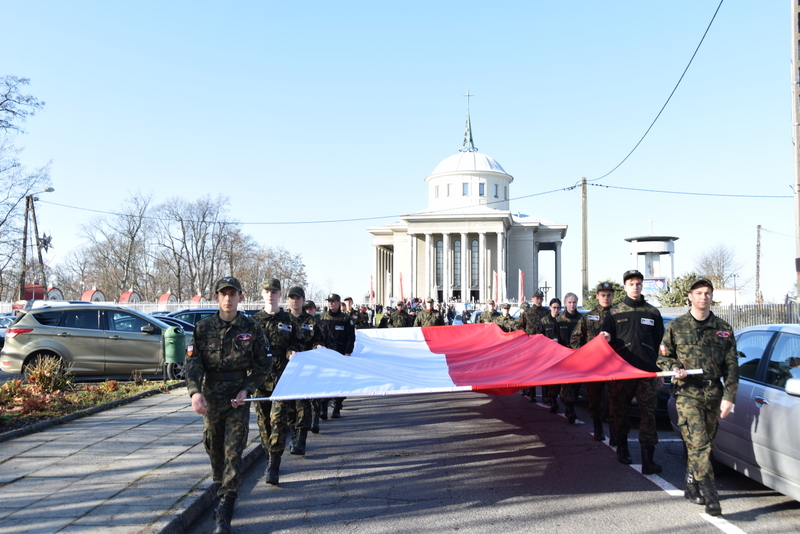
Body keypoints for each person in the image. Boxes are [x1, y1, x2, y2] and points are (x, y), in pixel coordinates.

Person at [186, 277, 272, 534]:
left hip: (238, 397)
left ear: (240, 297)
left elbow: (264, 363)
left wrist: (247, 388)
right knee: (214, 445)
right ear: (216, 297)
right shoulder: (202, 328)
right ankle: (219, 484)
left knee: (233, 449)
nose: (228, 298)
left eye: (232, 294)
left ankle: (226, 505)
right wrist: (195, 393)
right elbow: (193, 364)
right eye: (223, 294)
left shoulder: (251, 327)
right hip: (211, 395)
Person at [657, 277, 739, 516]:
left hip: (713, 392)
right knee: (699, 442)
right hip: (687, 393)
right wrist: (675, 367)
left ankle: (691, 484)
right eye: (699, 292)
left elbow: (732, 367)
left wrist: (729, 396)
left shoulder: (723, 329)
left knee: (704, 443)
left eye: (707, 293)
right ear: (690, 297)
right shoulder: (676, 326)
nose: (703, 296)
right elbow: (663, 358)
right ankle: (711, 495)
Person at [601, 269, 665, 474]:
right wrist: (606, 338)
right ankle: (623, 448)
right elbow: (604, 342)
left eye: (638, 283)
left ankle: (648, 459)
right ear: (625, 286)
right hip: (622, 373)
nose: (635, 287)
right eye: (631, 283)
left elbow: (661, 345)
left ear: (641, 285)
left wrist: (660, 372)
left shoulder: (653, 312)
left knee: (649, 414)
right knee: (620, 411)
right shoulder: (615, 312)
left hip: (646, 372)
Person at [252, 278, 302, 486]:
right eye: (267, 291)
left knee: (277, 420)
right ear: (262, 294)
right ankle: (268, 453)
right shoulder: (253, 321)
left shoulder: (289, 320)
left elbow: (297, 343)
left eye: (274, 291)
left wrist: (293, 352)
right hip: (260, 379)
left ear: (279, 294)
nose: (270, 295)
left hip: (282, 379)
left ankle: (274, 463)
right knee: (263, 422)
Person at [570, 282, 615, 440]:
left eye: (609, 295)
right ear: (597, 296)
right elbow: (575, 339)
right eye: (603, 295)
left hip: (614, 365)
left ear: (613, 296)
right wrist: (584, 356)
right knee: (594, 397)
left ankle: (614, 433)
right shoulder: (588, 317)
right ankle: (597, 429)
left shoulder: (619, 315)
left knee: (615, 399)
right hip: (595, 365)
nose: (606, 298)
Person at [286, 286, 327, 444]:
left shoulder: (311, 321)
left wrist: (318, 345)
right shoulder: (283, 319)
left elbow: (319, 339)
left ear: (303, 300)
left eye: (298, 298)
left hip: (307, 368)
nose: (295, 301)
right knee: (288, 406)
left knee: (303, 404)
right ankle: (293, 434)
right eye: (292, 298)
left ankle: (301, 438)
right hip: (287, 369)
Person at [320, 293, 356, 418]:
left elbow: (351, 337)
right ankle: (323, 407)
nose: (331, 303)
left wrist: (348, 352)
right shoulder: (322, 318)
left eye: (334, 301)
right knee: (325, 380)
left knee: (339, 380)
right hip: (326, 354)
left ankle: (337, 406)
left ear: (339, 303)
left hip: (341, 353)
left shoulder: (346, 319)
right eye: (329, 301)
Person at [516, 290, 549, 402]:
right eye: (537, 298)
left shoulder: (546, 312)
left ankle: (545, 395)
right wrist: (526, 337)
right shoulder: (527, 313)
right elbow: (520, 327)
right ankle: (531, 393)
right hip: (530, 345)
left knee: (544, 370)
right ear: (533, 299)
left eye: (541, 298)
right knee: (531, 370)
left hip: (543, 344)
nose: (539, 300)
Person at [557, 292, 582, 424]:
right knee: (567, 384)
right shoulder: (559, 320)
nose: (572, 305)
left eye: (574, 302)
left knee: (577, 385)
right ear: (565, 303)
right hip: (564, 356)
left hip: (578, 356)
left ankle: (570, 407)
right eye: (570, 302)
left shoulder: (582, 319)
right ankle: (570, 409)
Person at [539, 298, 562, 412]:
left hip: (559, 353)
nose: (556, 310)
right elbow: (539, 337)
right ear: (550, 308)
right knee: (547, 376)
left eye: (558, 308)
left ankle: (554, 398)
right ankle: (546, 396)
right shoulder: (544, 321)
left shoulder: (562, 320)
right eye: (554, 307)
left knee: (557, 377)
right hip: (547, 353)